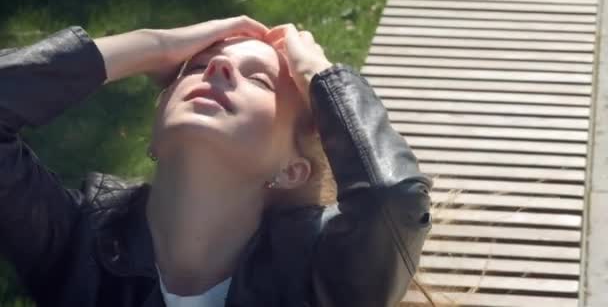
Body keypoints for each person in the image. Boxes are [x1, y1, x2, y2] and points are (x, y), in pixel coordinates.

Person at [0, 16, 432, 307]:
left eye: (258, 79)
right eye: (198, 65)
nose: (219, 66)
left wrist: (320, 76)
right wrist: (153, 44)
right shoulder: (79, 241)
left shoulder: (320, 271)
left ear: (290, 169)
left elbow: (390, 201)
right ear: (155, 131)